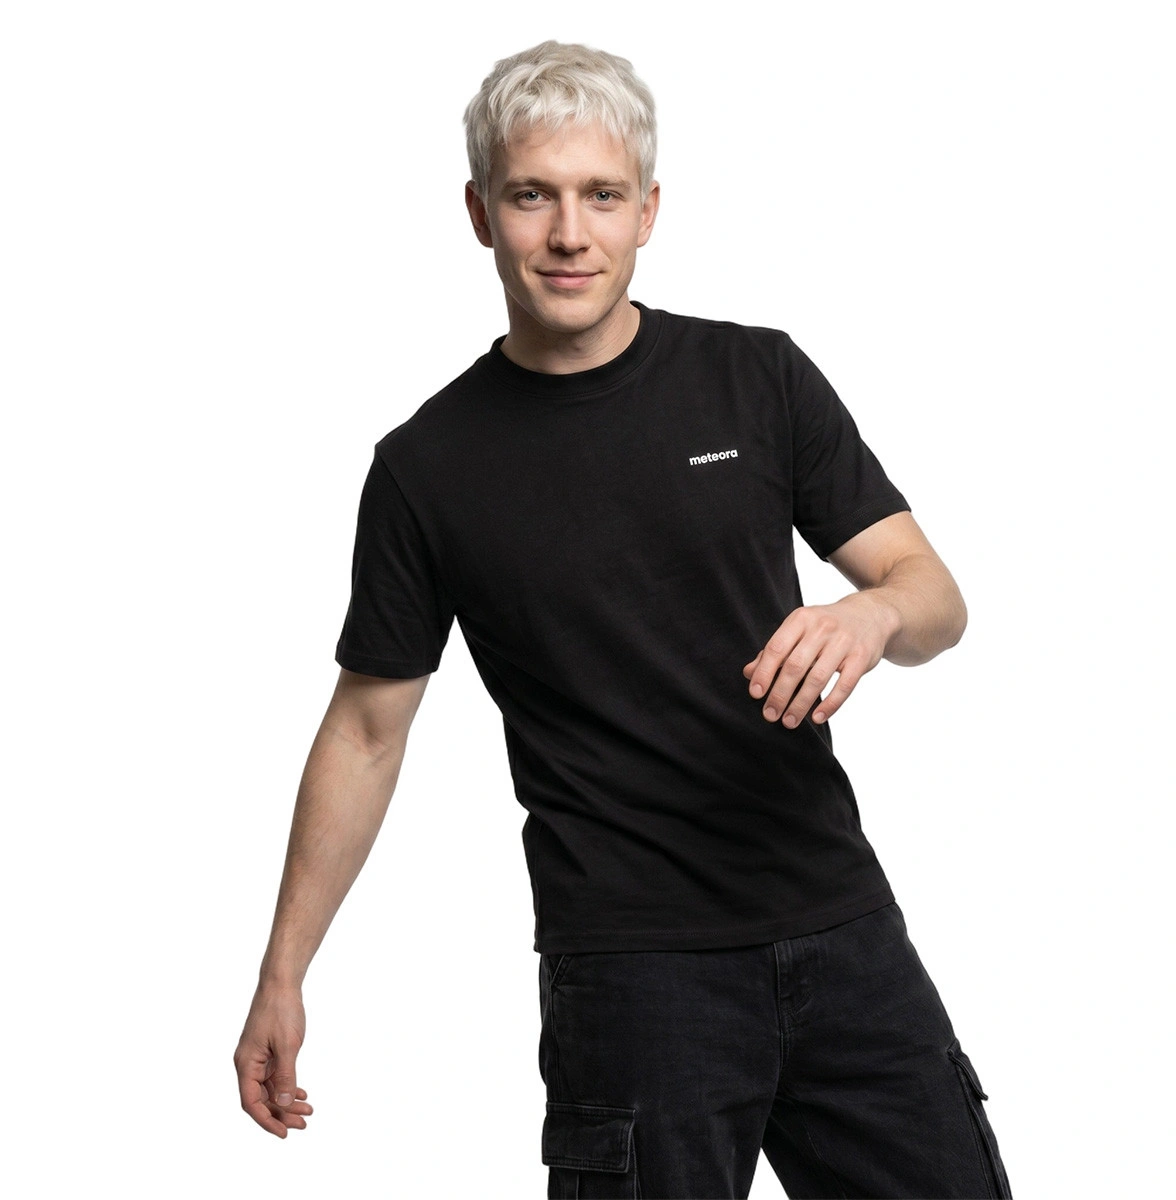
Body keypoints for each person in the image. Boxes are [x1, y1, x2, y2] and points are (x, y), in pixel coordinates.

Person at [234, 40, 1013, 1200]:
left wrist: (873, 612)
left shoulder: (758, 378)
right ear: (479, 213)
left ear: (648, 211)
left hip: (843, 929)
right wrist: (283, 973)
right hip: (636, 976)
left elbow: (934, 598)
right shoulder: (427, 467)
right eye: (531, 196)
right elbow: (365, 732)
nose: (569, 234)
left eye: (601, 196)